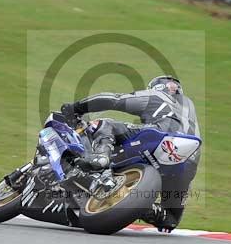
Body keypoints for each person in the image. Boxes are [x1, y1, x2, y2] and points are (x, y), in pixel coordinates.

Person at [61, 75, 200, 233]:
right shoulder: (189, 108)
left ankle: (102, 156)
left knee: (104, 124)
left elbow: (114, 100)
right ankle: (145, 207)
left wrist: (76, 108)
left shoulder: (157, 95)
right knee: (170, 218)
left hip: (161, 136)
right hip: (189, 159)